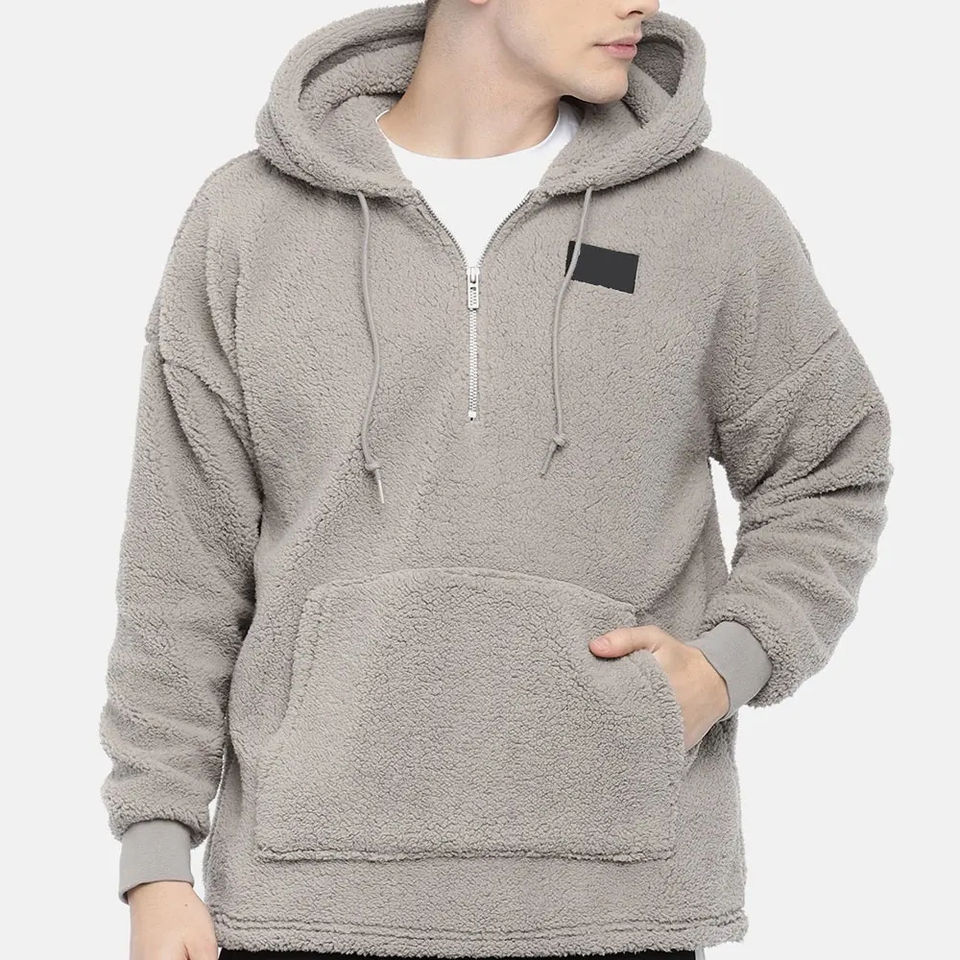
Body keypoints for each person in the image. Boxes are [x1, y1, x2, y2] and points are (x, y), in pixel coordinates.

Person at [98, 1, 893, 959]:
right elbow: (181, 562)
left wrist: (729, 664)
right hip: (309, 893)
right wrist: (156, 861)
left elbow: (830, 466)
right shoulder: (248, 222)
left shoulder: (711, 218)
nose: (641, 2)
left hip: (618, 896)